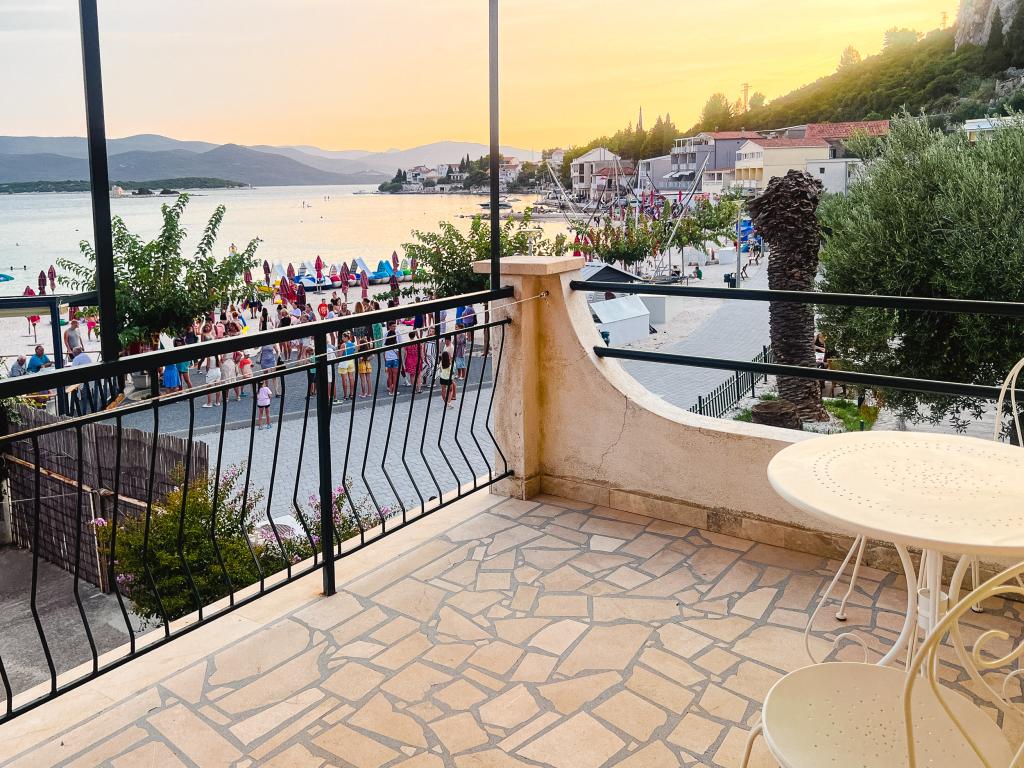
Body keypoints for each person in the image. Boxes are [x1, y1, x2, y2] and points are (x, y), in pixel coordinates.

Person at [338, 331, 356, 400]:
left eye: (343, 337)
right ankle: (352, 394)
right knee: (351, 378)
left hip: (344, 362)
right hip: (351, 361)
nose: (342, 338)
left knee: (344, 380)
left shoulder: (343, 345)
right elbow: (354, 352)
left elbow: (339, 355)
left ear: (346, 337)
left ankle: (345, 395)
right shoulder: (353, 344)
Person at [438, 339, 456, 407]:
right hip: (449, 379)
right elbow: (452, 372)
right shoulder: (450, 364)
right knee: (450, 390)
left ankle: (445, 402)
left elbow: (440, 369)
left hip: (442, 378)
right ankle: (449, 402)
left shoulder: (441, 363)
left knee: (443, 390)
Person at [383, 327, 400, 395]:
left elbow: (384, 354)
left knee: (389, 376)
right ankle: (394, 390)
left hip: (388, 360)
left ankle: (390, 390)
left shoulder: (385, 345)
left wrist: (385, 362)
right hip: (395, 360)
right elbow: (398, 354)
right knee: (395, 376)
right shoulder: (395, 344)